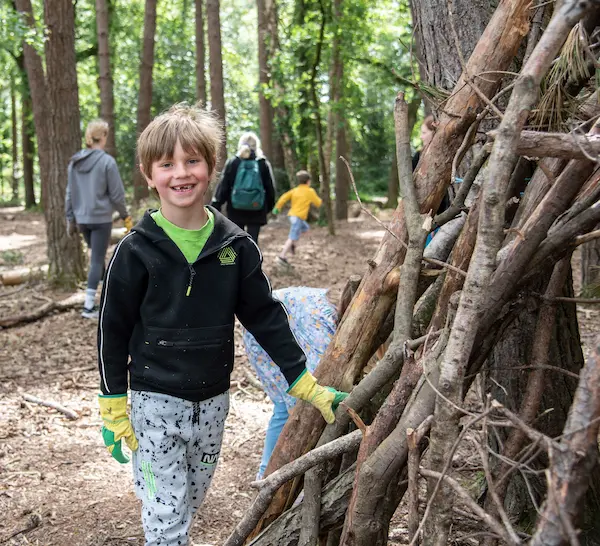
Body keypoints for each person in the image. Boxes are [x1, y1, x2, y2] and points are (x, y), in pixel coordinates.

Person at [96, 103, 347, 546]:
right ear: (148, 174)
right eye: (167, 163)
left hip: (213, 403)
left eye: (192, 160)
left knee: (188, 502)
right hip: (153, 403)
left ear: (212, 166)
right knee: (166, 514)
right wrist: (113, 402)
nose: (181, 173)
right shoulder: (134, 251)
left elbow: (265, 316)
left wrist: (303, 381)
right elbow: (111, 331)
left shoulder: (236, 245)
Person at [242, 283, 356, 479]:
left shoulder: (326, 313)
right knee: (292, 406)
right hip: (265, 338)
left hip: (267, 333)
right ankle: (272, 472)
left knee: (283, 407)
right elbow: (317, 372)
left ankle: (268, 471)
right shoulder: (323, 323)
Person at [65, 119, 132, 320]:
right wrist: (125, 215)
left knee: (97, 255)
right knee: (96, 260)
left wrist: (70, 217)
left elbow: (69, 192)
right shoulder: (106, 162)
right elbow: (117, 195)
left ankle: (106, 296)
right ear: (102, 137)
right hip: (101, 218)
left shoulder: (75, 162)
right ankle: (88, 306)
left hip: (82, 219)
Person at [211, 132, 275, 243]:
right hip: (257, 207)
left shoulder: (233, 162)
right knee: (253, 241)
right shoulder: (262, 163)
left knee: (236, 241)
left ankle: (238, 260)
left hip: (235, 208)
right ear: (256, 145)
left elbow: (224, 185)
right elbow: (270, 188)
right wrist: (268, 207)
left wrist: (216, 204)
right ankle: (253, 260)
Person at [272, 170, 322, 264]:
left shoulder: (295, 190)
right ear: (308, 181)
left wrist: (277, 208)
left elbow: (283, 197)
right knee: (292, 236)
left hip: (293, 216)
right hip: (298, 217)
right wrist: (323, 202)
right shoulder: (310, 191)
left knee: (306, 229)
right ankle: (282, 256)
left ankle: (294, 245)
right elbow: (318, 203)